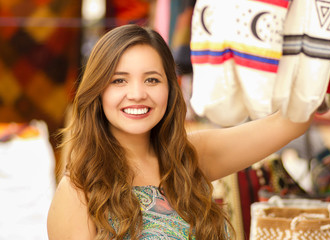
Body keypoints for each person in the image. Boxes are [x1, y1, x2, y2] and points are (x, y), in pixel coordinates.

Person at [47, 24, 313, 240]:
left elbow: (291, 123)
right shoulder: (78, 189)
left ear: (170, 89)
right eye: (119, 80)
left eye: (152, 79)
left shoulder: (191, 156)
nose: (138, 94)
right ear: (98, 91)